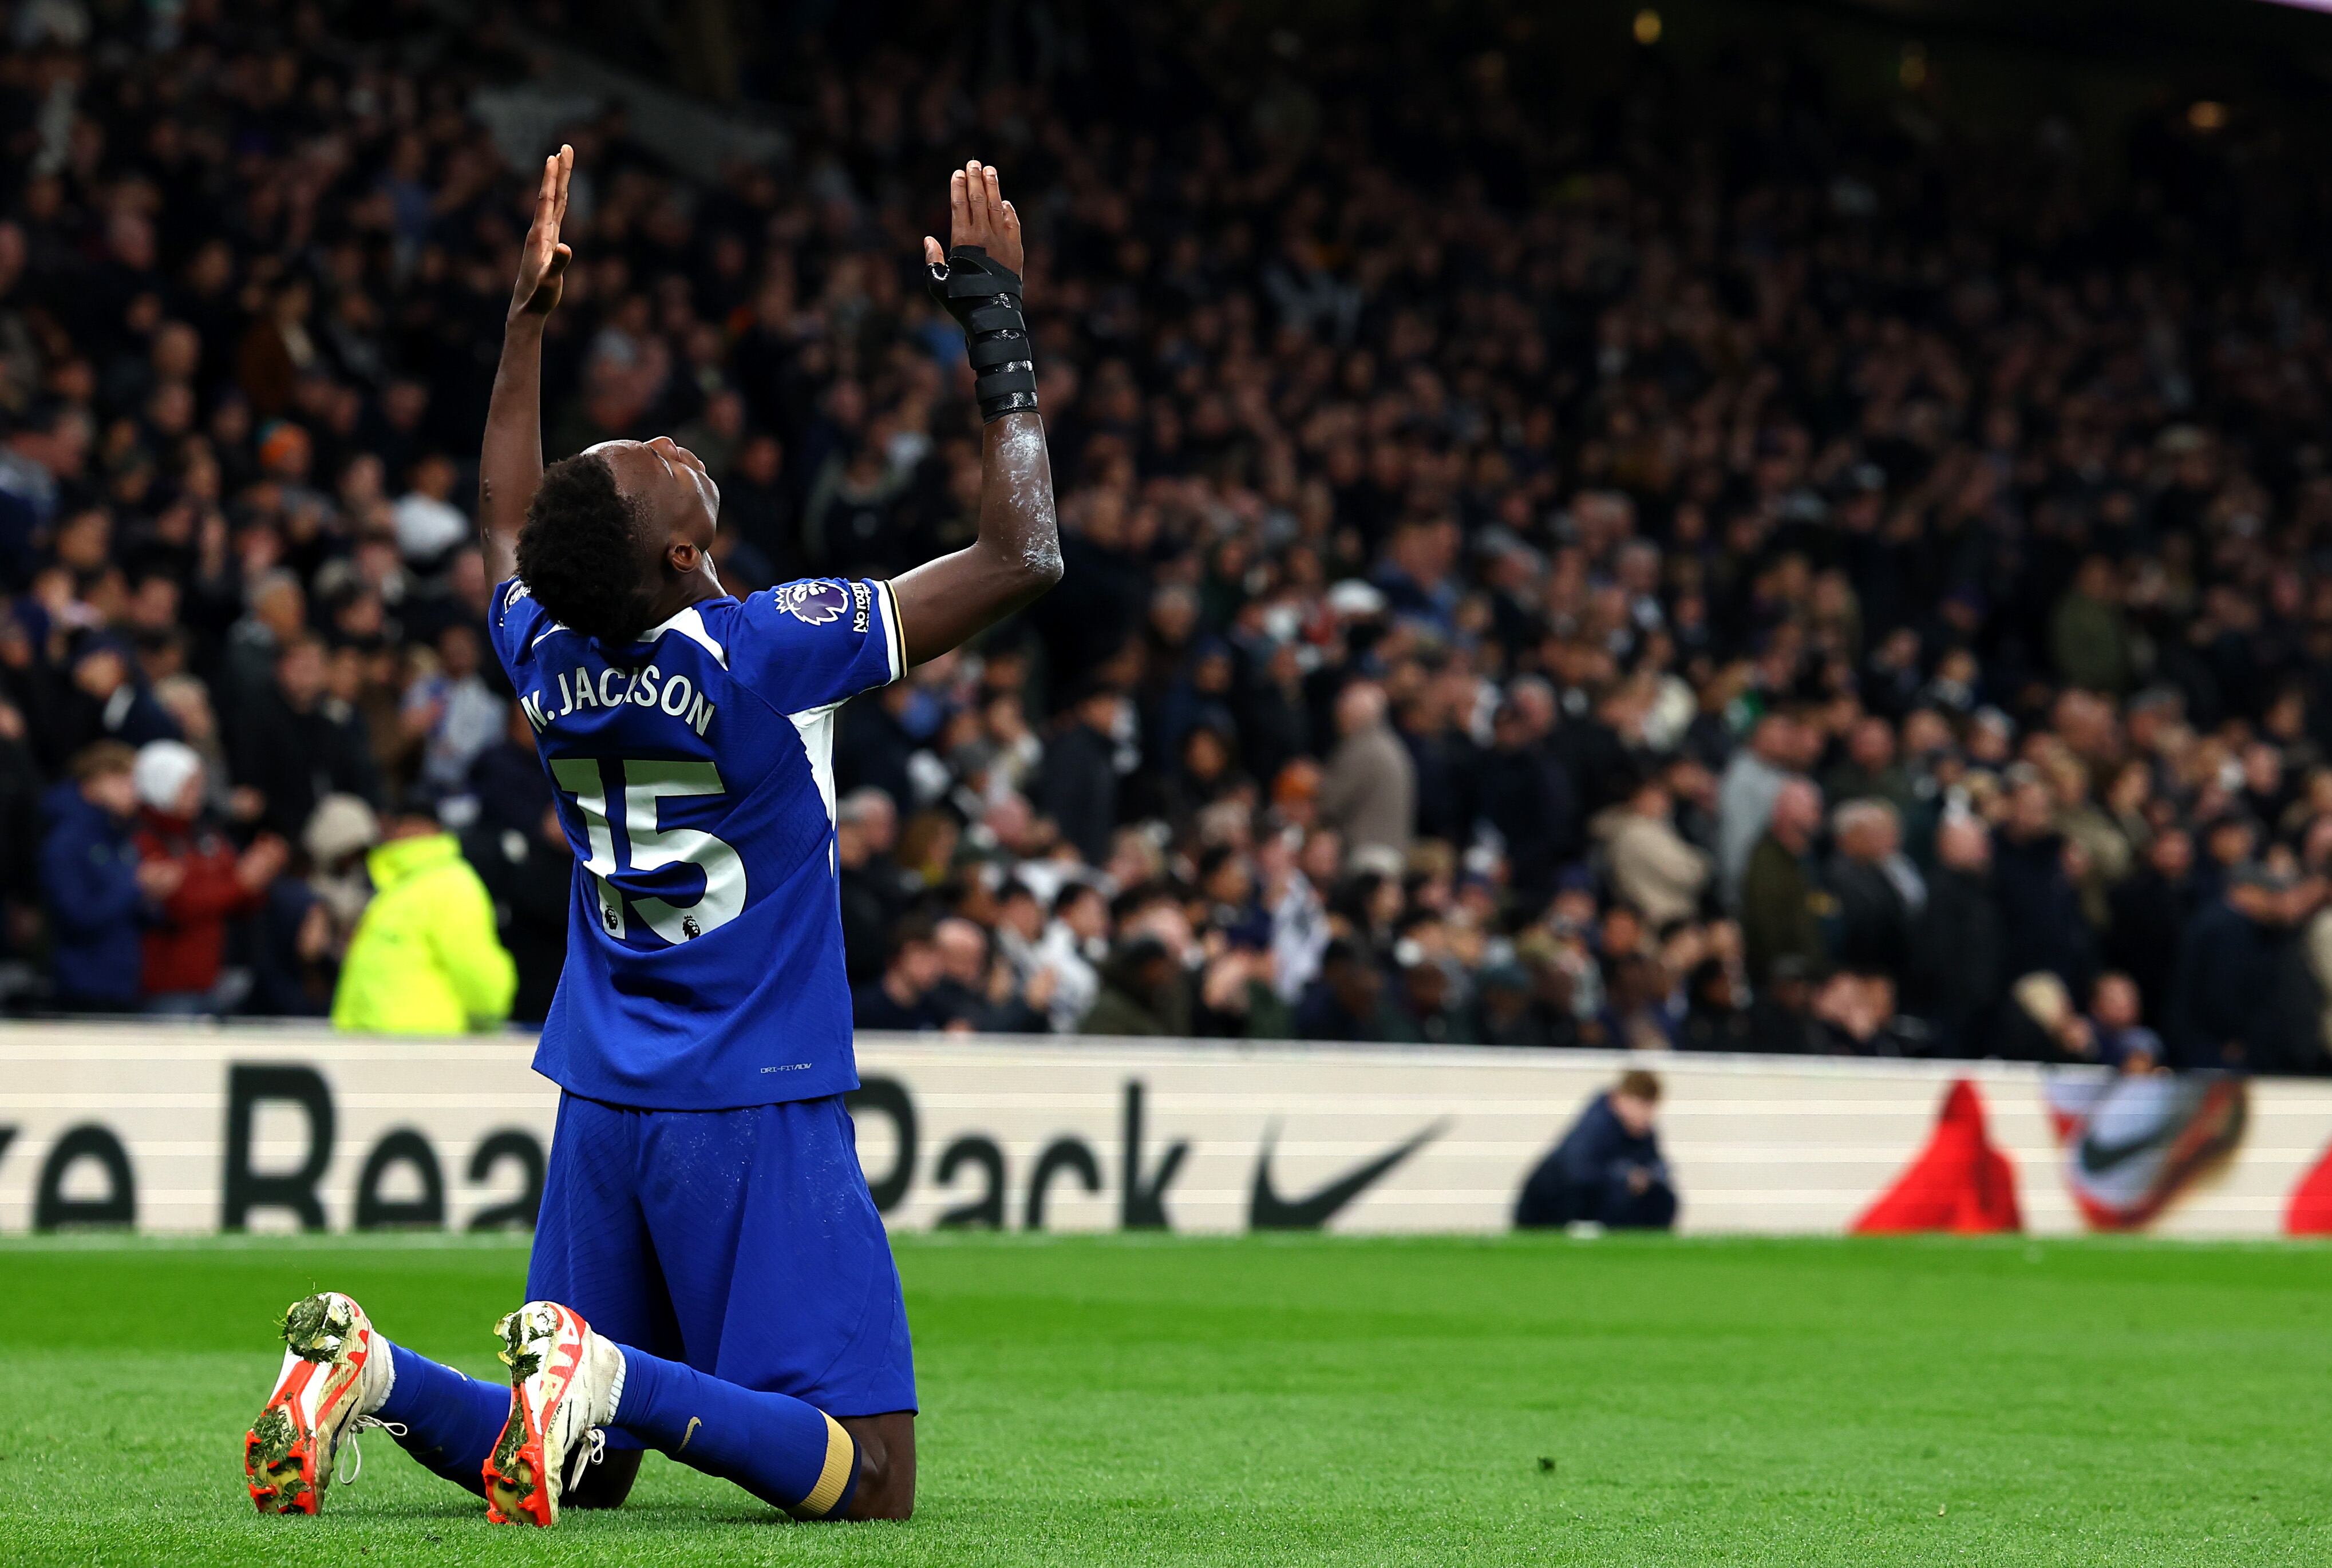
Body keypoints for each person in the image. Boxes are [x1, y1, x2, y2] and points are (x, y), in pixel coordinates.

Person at [246, 155, 1059, 1527]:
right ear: (683, 557)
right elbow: (1021, 554)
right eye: (658, 470)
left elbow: (511, 522)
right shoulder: (760, 650)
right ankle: (599, 1369)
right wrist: (1000, 325)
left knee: (582, 1453)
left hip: (607, 1090)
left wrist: (526, 328)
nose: (671, 448)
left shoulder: (542, 645)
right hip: (751, 1092)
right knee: (869, 1477)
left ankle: (370, 1376)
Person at [329, 805, 517, 1034]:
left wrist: (489, 1018)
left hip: (421, 1048)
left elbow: (475, 967)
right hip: (378, 1046)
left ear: (427, 828)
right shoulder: (398, 885)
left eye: (402, 825)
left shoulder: (450, 883)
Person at [40, 741, 175, 1009]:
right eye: (125, 781)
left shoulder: (123, 838)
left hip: (125, 983)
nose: (135, 793)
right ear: (97, 781)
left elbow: (136, 915)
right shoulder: (66, 841)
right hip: (81, 986)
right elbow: (76, 916)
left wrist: (153, 896)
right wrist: (136, 885)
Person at [1514, 1069, 1678, 1230]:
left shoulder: (1643, 1134)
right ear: (1620, 1099)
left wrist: (1645, 1178)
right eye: (1641, 1105)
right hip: (1549, 1206)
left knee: (1661, 1198)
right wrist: (1626, 1177)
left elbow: (1658, 1169)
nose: (1645, 1115)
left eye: (1650, 1108)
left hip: (1586, 1201)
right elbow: (1578, 1172)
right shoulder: (1597, 1125)